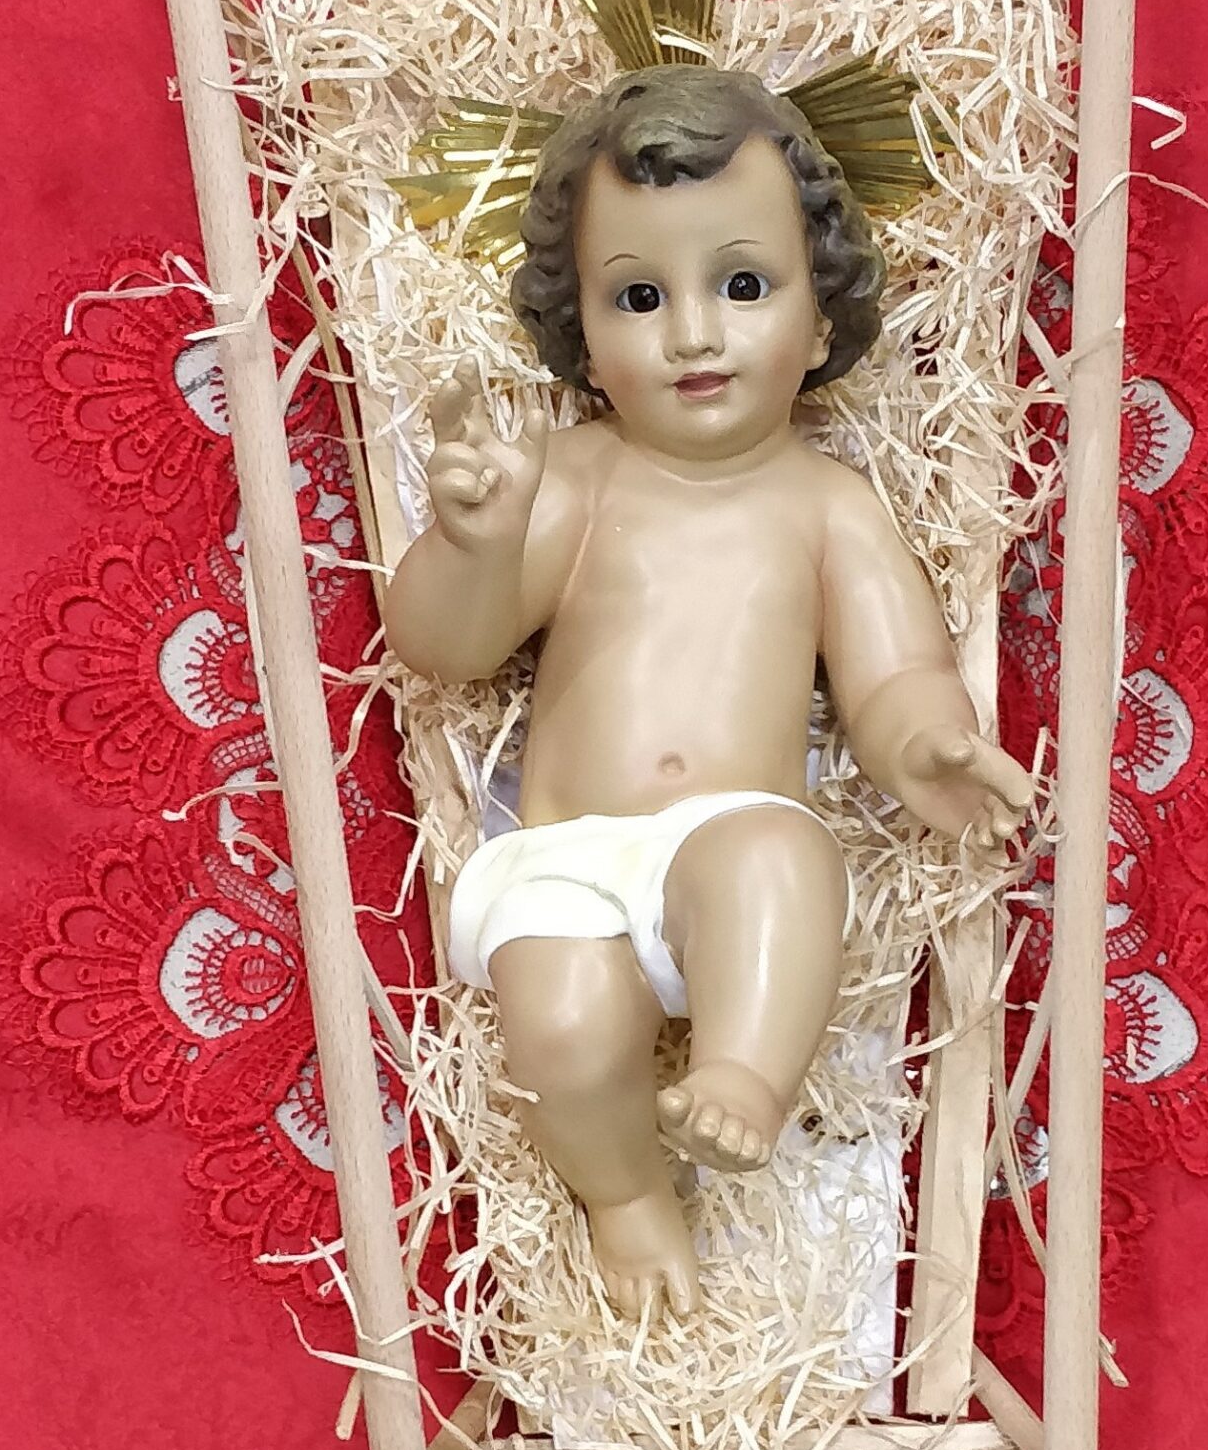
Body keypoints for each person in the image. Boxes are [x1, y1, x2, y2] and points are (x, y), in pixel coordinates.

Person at [386, 66, 1032, 1320]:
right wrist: (475, 546)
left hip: (728, 833)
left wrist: (929, 747)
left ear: (821, 311)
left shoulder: (827, 507)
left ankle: (745, 1072)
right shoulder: (576, 478)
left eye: (741, 286)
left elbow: (892, 674)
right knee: (560, 1030)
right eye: (640, 296)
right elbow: (446, 649)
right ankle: (625, 1192)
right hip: (567, 855)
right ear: (581, 331)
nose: (692, 334)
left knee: (778, 865)